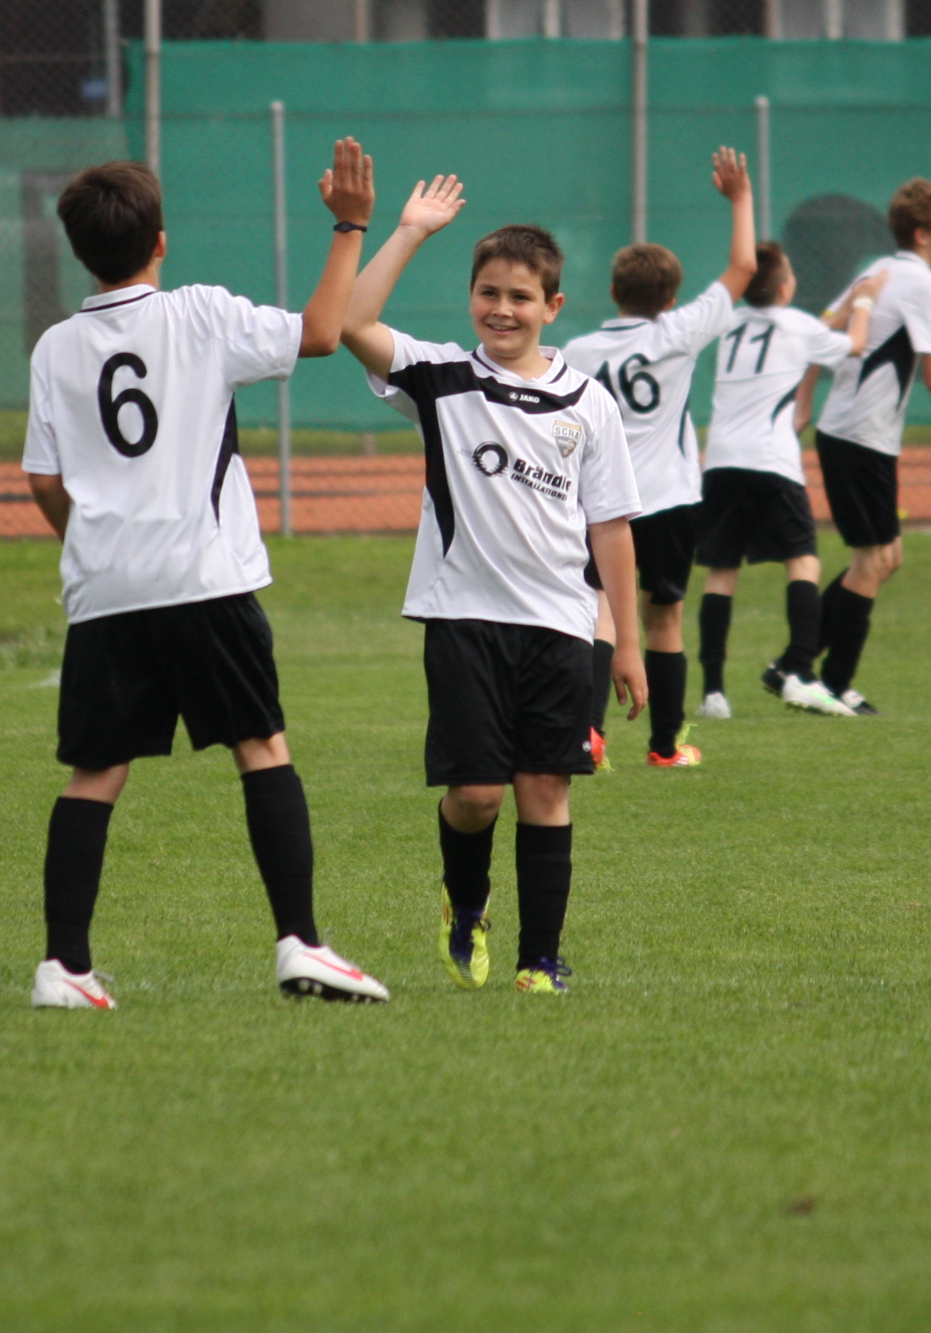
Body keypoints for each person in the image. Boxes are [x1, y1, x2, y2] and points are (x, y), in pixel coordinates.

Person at [20, 145, 390, 1011]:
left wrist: (97, 542)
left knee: (95, 772)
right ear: (160, 241)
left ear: (80, 251)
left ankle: (62, 967)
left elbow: (42, 479)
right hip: (203, 580)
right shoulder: (200, 314)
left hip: (107, 591)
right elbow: (322, 333)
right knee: (260, 746)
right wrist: (350, 225)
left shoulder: (54, 348)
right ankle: (300, 944)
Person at [340, 176, 643, 997]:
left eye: (520, 297)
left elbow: (612, 529)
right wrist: (408, 231)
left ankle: (539, 962)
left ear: (553, 305)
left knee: (545, 787)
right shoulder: (442, 378)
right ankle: (465, 905)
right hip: (464, 619)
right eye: (488, 294)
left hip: (561, 625)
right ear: (471, 296)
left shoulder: (589, 404)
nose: (502, 310)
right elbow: (350, 324)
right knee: (476, 795)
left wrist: (627, 646)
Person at [555, 149, 755, 768]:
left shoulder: (578, 351)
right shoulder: (679, 331)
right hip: (668, 498)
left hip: (601, 505)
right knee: (664, 617)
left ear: (614, 291)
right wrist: (740, 197)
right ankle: (666, 747)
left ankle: (589, 735)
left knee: (599, 611)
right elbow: (744, 267)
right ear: (670, 298)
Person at [803, 178, 931, 716]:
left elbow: (821, 331)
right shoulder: (924, 285)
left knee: (886, 558)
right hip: (859, 437)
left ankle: (798, 665)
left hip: (854, 435)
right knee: (877, 558)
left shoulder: (878, 271)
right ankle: (829, 682)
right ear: (923, 234)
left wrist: (806, 399)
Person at [693, 242, 880, 720]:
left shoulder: (729, 322)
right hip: (772, 461)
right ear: (783, 288)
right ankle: (799, 671)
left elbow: (815, 329)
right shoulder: (799, 326)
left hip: (722, 460)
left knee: (721, 571)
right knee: (802, 560)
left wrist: (839, 309)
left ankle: (713, 693)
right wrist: (863, 301)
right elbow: (855, 343)